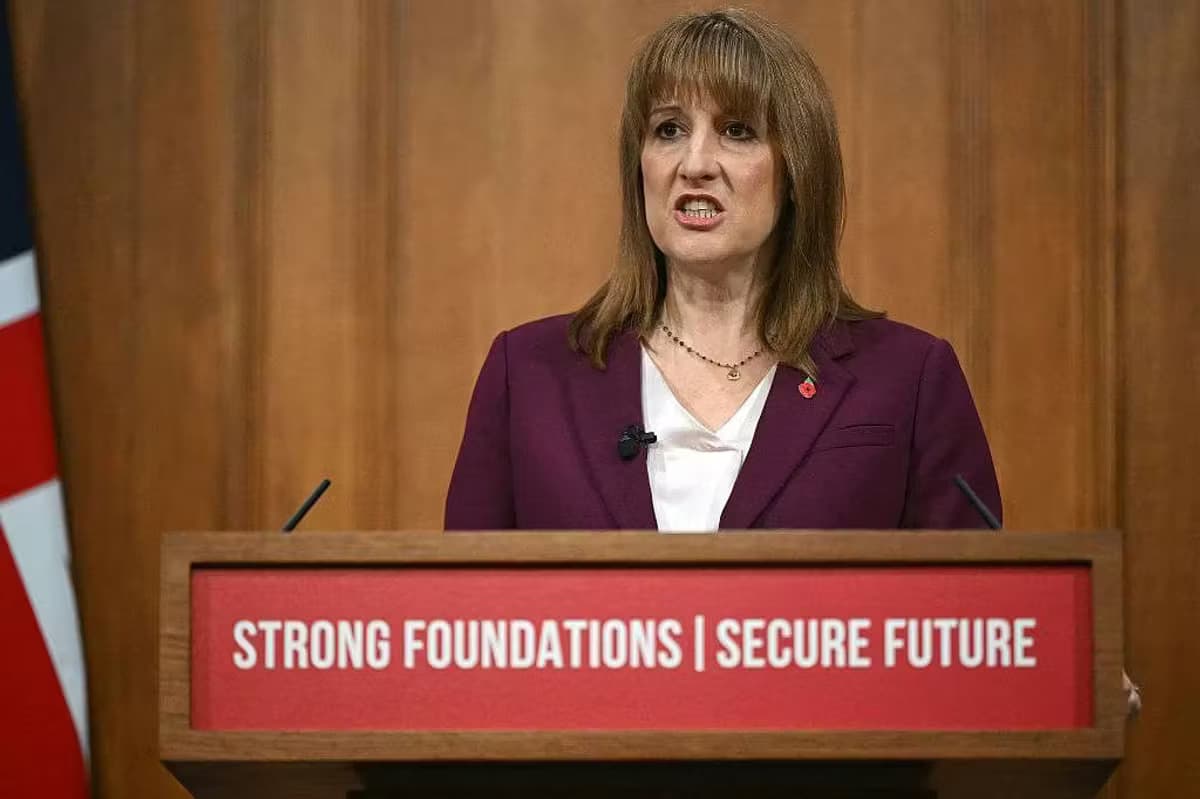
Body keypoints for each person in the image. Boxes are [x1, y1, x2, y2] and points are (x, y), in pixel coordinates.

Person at [444, 8, 1001, 532]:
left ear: (797, 169)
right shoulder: (528, 375)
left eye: (737, 131)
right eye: (669, 130)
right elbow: (464, 595)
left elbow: (972, 596)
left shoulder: (908, 378)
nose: (695, 164)